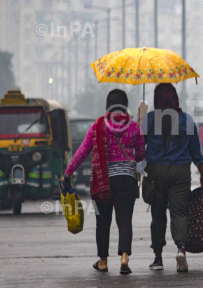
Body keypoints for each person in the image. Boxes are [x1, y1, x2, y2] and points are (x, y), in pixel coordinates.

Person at [63, 89, 145, 275]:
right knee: (125, 221)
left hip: (103, 181)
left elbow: (82, 151)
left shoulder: (98, 126)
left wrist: (68, 173)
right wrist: (140, 124)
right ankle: (124, 257)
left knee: (103, 222)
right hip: (126, 179)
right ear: (124, 105)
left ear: (108, 105)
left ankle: (103, 261)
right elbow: (140, 155)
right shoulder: (134, 127)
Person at [143, 83, 203, 273]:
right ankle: (181, 249)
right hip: (180, 171)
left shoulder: (149, 119)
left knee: (157, 214)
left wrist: (142, 118)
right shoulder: (187, 120)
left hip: (156, 171)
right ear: (176, 99)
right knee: (179, 213)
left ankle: (158, 257)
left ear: (157, 100)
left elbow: (139, 147)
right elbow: (196, 153)